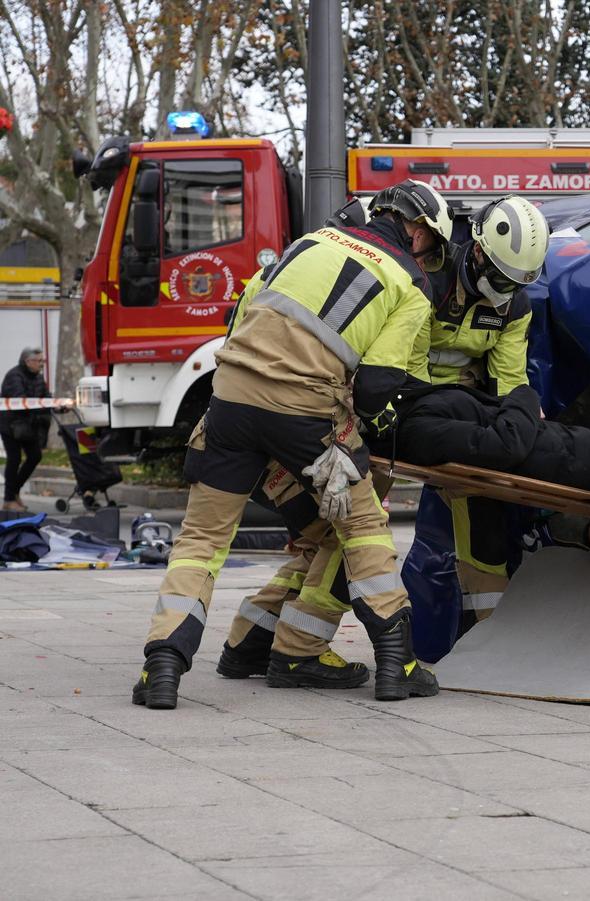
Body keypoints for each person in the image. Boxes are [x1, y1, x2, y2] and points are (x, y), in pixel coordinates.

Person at [132, 181, 440, 710]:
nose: (428, 257)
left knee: (201, 540)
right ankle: (398, 662)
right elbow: (376, 385)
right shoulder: (409, 284)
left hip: (228, 403)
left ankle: (161, 665)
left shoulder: (309, 243)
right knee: (362, 528)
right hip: (307, 415)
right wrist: (373, 422)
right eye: (430, 247)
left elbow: (243, 316)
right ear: (416, 231)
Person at [216, 381, 590, 680]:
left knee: (326, 541)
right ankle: (298, 651)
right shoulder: (408, 300)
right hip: (324, 435)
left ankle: (249, 642)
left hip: (298, 430)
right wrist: (523, 397)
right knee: (351, 539)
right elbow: (501, 441)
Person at [421, 195, 550, 624]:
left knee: (484, 518)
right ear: (477, 249)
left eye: (515, 281)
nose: (503, 289)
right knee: (351, 522)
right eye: (499, 276)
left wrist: (523, 419)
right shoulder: (428, 278)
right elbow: (396, 359)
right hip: (405, 407)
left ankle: (485, 636)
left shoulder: (515, 306)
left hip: (461, 417)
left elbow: (509, 380)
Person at [1, 347, 51, 511]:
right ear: (28, 362)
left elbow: (46, 397)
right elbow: (20, 401)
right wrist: (41, 406)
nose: (42, 364)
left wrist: (57, 405)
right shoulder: (14, 376)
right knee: (14, 459)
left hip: (27, 425)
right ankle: (8, 499)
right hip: (9, 424)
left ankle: (14, 491)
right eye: (39, 361)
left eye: (42, 361)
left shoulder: (38, 378)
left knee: (35, 456)